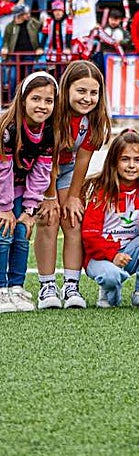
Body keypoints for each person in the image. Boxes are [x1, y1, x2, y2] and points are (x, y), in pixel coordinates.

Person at [31, 61, 110, 309]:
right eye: (81, 91)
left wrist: (74, 196)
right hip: (40, 167)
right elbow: (47, 159)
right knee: (48, 218)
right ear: (66, 90)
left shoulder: (93, 121)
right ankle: (47, 286)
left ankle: (71, 286)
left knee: (73, 218)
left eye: (93, 93)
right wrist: (49, 196)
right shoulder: (53, 114)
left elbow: (82, 160)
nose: (87, 98)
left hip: (66, 169)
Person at [79, 129, 139, 309]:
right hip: (100, 257)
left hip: (128, 254)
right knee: (110, 279)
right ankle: (109, 287)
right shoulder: (100, 191)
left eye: (137, 160)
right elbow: (89, 235)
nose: (131, 165)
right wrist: (113, 255)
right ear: (114, 162)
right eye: (125, 159)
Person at [0, 72, 57, 313]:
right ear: (23, 100)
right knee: (4, 234)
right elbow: (3, 169)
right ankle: (1, 289)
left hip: (21, 189)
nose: (42, 106)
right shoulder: (8, 128)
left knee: (22, 233)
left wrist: (29, 209)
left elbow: (42, 171)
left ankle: (16, 287)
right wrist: (4, 208)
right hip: (3, 189)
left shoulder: (49, 131)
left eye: (48, 100)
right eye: (36, 99)